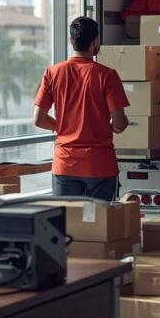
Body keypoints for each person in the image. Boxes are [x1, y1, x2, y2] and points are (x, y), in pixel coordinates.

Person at [34, 17, 129, 201]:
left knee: (66, 224)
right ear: (96, 42)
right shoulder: (107, 75)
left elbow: (38, 119)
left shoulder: (52, 73)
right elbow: (119, 124)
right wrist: (103, 126)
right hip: (99, 166)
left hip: (65, 164)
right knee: (100, 225)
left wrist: (60, 127)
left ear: (71, 40)